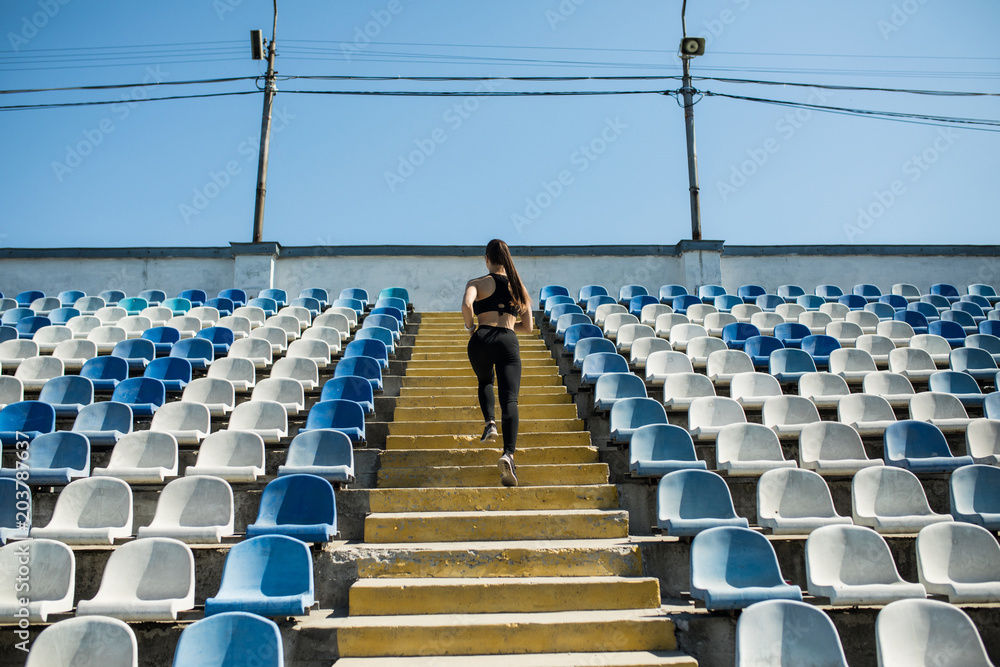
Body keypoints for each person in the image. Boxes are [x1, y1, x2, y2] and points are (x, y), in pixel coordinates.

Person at [462, 239, 533, 487]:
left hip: (481, 338)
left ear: (487, 259)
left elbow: (467, 305)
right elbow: (530, 326)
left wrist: (471, 328)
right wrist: (510, 327)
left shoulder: (477, 283)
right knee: (510, 400)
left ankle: (490, 423)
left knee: (484, 381)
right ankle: (508, 455)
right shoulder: (518, 287)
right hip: (508, 340)